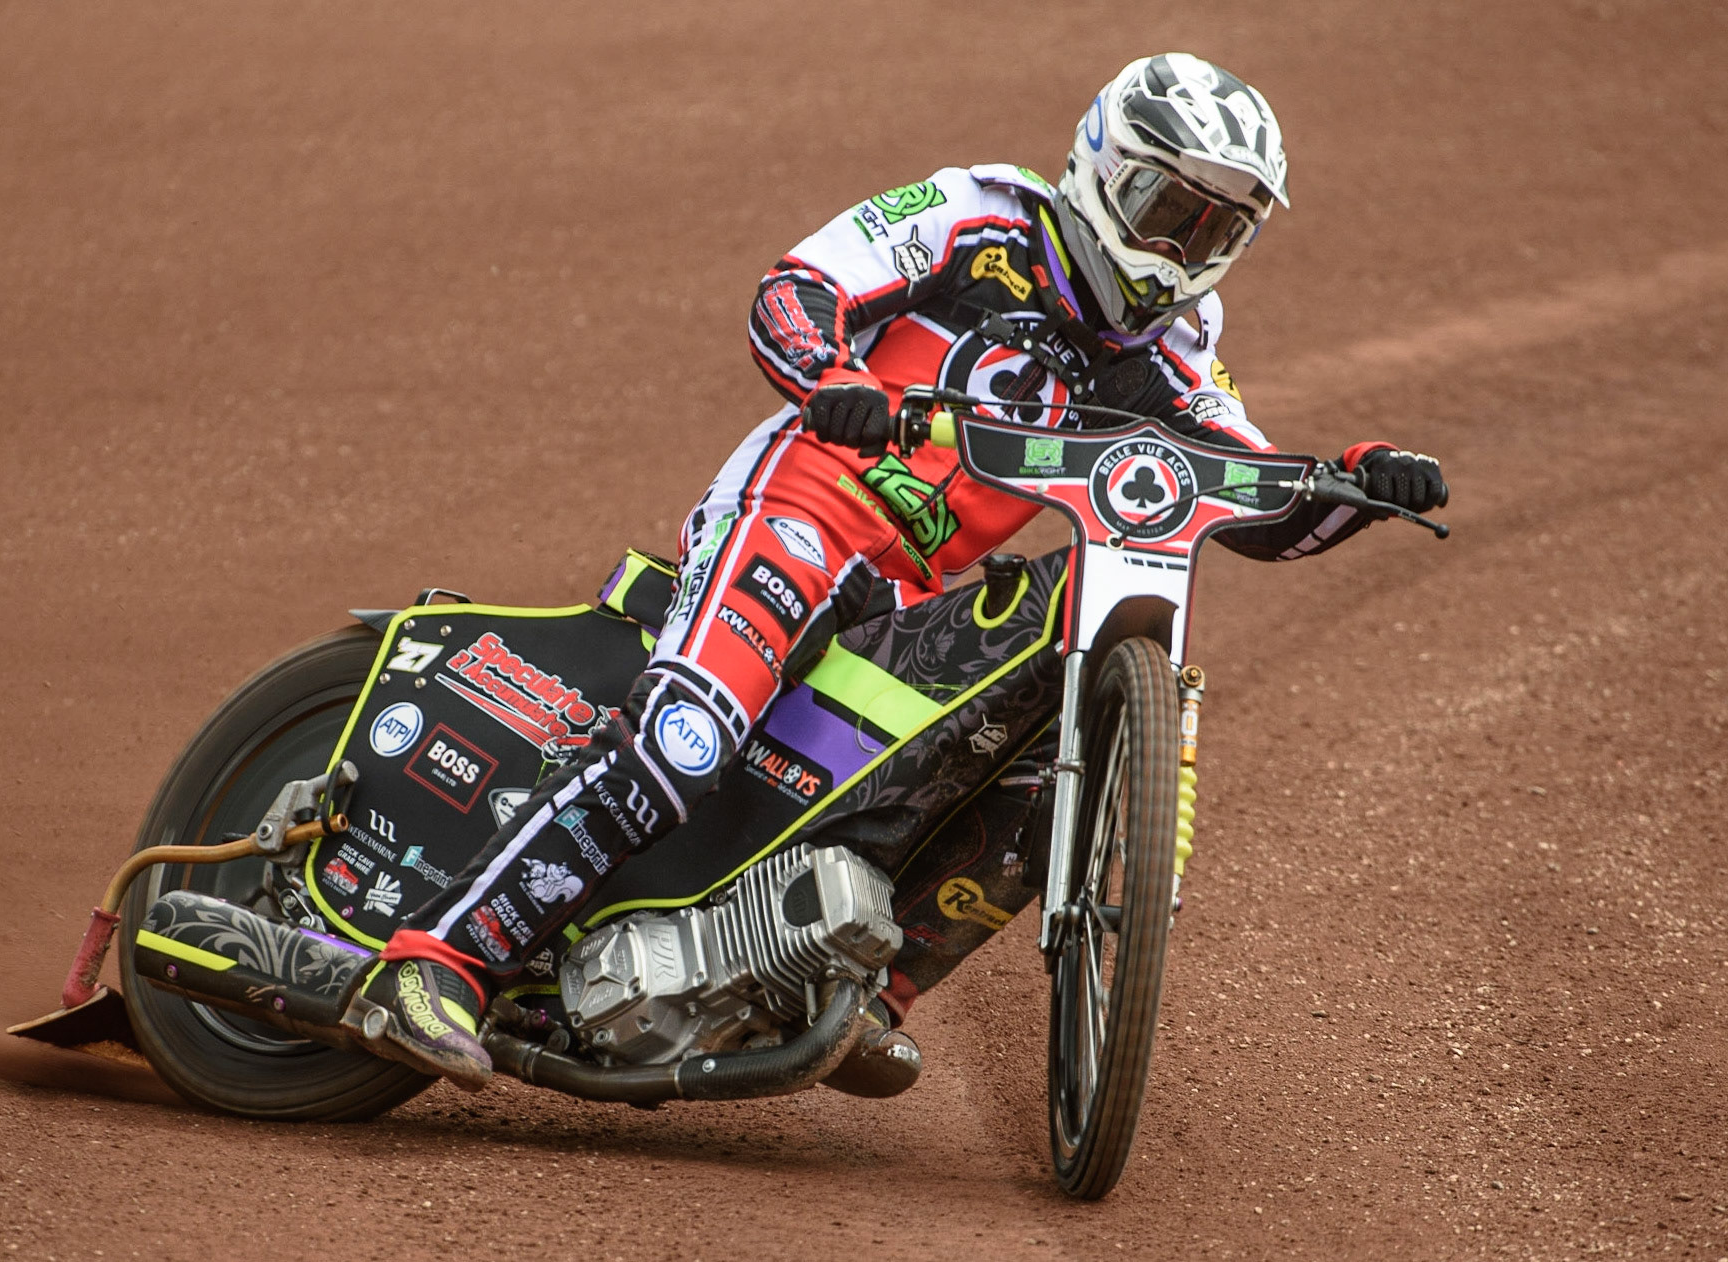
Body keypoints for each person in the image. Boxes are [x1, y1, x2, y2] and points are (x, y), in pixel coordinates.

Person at [341, 52, 1448, 1090]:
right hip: (803, 508)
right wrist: (830, 372)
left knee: (1035, 733)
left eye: (1220, 229)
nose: (1187, 246)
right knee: (687, 738)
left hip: (904, 587)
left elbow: (1249, 500)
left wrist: (1354, 483)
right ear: (1107, 167)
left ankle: (863, 988)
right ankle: (433, 958)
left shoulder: (1171, 346)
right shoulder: (979, 217)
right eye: (1174, 210)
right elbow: (793, 288)